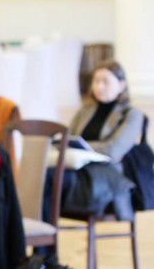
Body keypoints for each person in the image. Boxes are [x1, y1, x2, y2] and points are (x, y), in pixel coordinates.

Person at [57, 60, 145, 220]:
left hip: (107, 174)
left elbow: (113, 150)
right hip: (78, 168)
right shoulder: (85, 110)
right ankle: (44, 232)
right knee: (44, 176)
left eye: (105, 82)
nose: (99, 86)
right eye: (96, 81)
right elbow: (68, 139)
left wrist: (83, 146)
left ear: (122, 85)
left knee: (52, 179)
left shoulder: (132, 114)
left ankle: (45, 234)